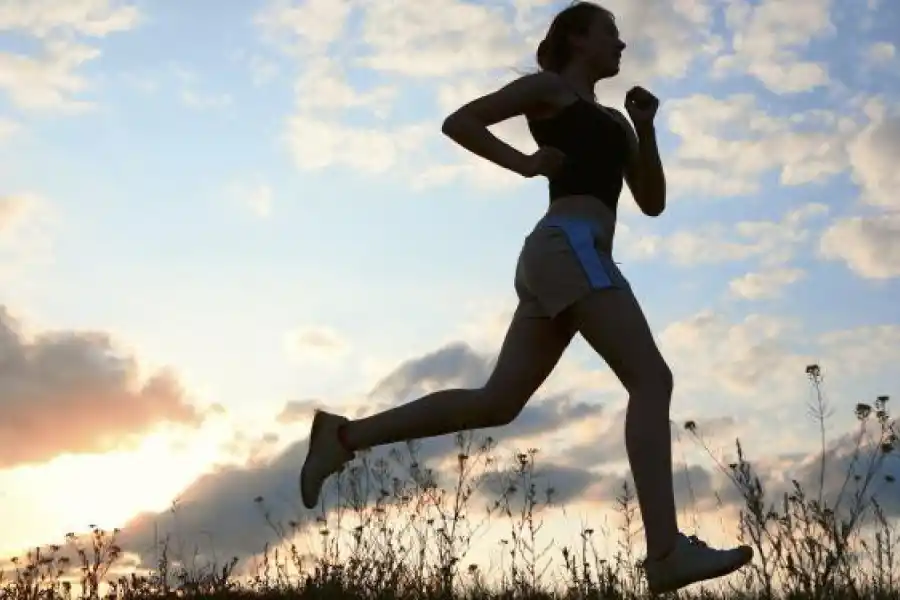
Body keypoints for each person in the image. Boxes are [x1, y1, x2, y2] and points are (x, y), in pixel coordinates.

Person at [299, 1, 753, 594]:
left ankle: (342, 437)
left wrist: (645, 126)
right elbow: (461, 121)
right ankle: (665, 551)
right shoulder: (548, 90)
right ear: (577, 38)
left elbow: (652, 201)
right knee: (652, 380)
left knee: (497, 402)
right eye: (611, 34)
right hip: (567, 247)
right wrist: (525, 164)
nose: (621, 45)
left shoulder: (614, 121)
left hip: (565, 257)